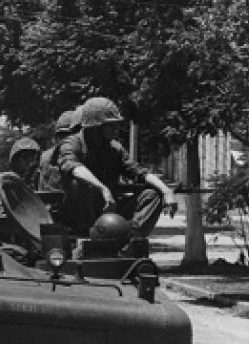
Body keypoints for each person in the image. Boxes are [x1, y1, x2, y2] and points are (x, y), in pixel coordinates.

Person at [53, 97, 176, 239]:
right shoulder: (72, 142)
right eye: (111, 125)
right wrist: (102, 188)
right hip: (78, 215)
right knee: (80, 182)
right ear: (96, 127)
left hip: (110, 210)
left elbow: (140, 172)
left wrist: (166, 191)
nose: (116, 130)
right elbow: (73, 167)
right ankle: (88, 234)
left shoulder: (115, 149)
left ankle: (129, 237)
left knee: (152, 194)